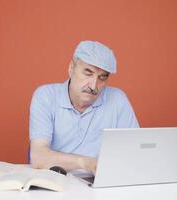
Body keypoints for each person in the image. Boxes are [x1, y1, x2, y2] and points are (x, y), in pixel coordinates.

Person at [29, 40, 139, 174]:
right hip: (56, 182)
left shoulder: (118, 99)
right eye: (88, 73)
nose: (93, 85)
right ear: (71, 68)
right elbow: (38, 156)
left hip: (99, 186)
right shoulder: (46, 96)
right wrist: (85, 163)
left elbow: (135, 152)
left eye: (102, 78)